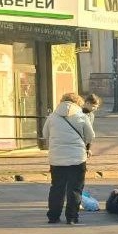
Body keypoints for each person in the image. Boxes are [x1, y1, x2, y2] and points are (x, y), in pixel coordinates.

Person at [42, 92, 95, 225]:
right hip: (77, 158)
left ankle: (53, 217)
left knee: (57, 188)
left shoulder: (52, 117)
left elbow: (45, 134)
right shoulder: (82, 116)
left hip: (56, 158)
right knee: (75, 188)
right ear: (78, 103)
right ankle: (71, 217)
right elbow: (90, 136)